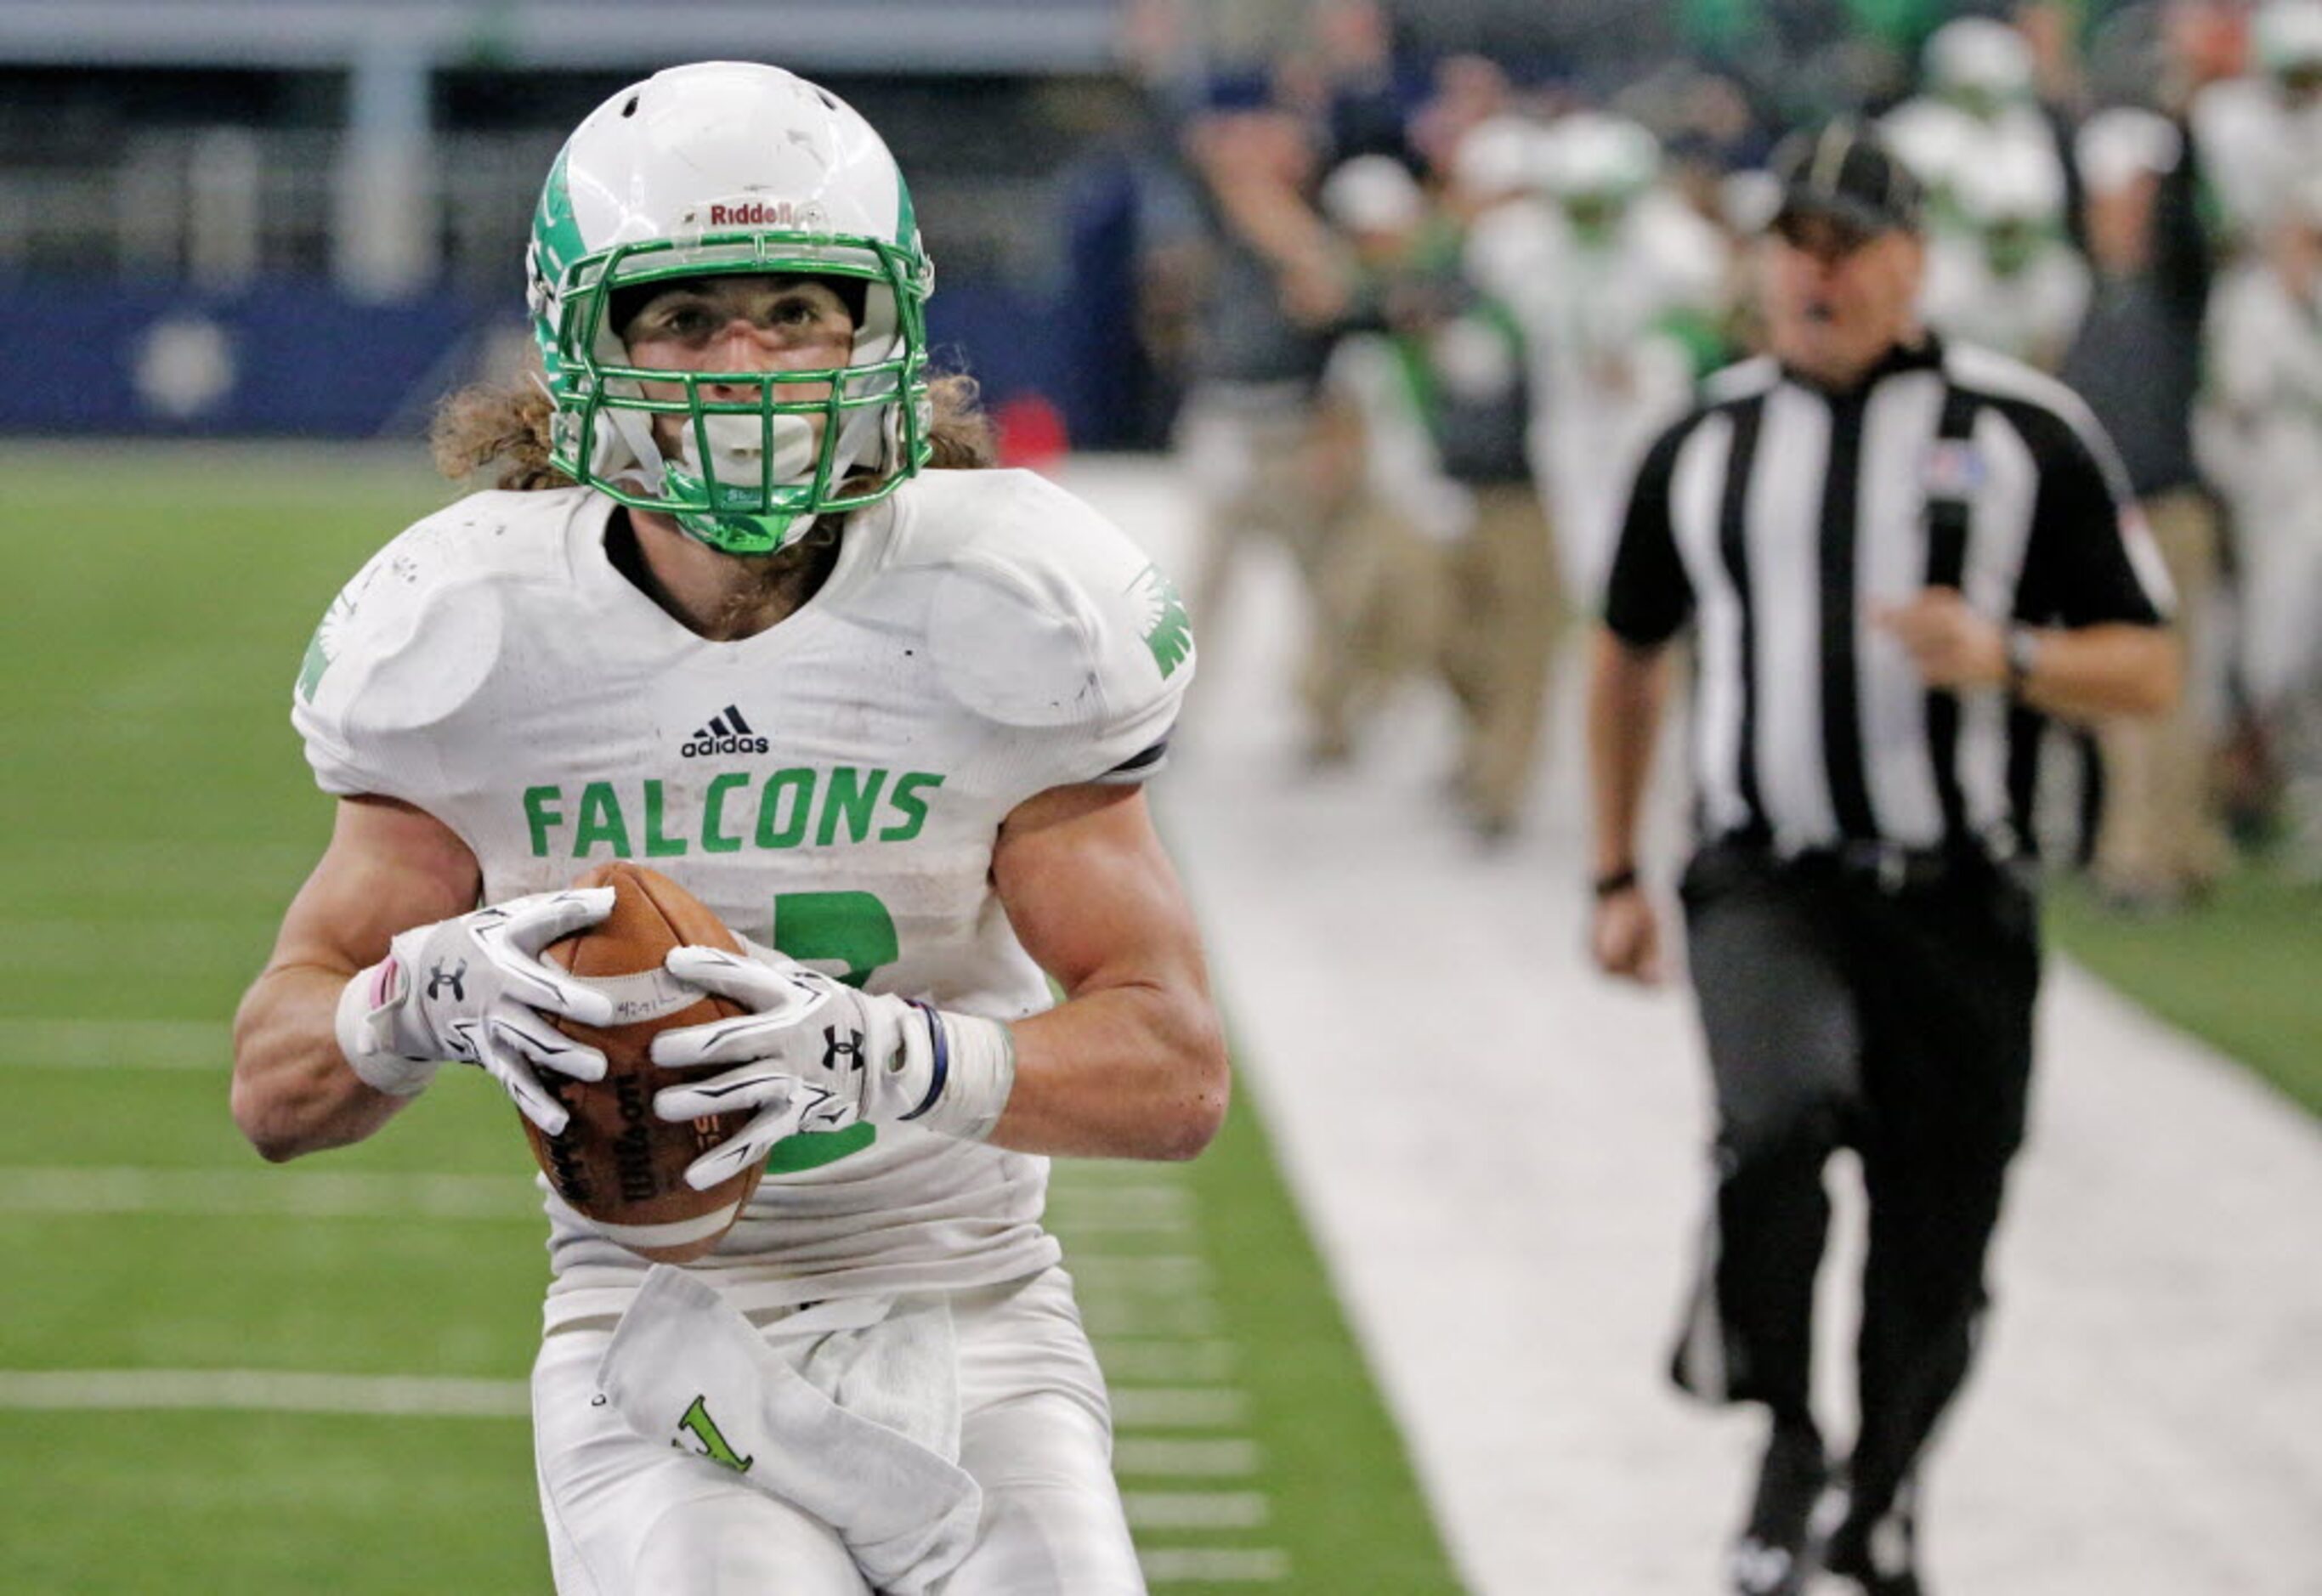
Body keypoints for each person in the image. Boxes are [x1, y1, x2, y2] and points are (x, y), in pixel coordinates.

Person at [230, 60, 1229, 1596]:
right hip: (656, 1335)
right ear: (589, 344)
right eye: (687, 319)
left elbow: (1174, 1071)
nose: (746, 363)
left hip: (970, 1307)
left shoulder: (1006, 605)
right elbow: (277, 1085)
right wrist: (424, 995)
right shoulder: (478, 629)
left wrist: (884, 1054)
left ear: (878, 328)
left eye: (794, 310)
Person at [1585, 123, 2178, 1596]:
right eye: (1795, 241)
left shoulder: (2027, 430)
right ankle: (1787, 1437)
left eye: (1848, 243)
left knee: (1943, 1225)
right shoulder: (1705, 437)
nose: (1816, 269)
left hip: (1957, 893)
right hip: (1765, 875)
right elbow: (1626, 655)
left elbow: (2150, 665)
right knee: (1777, 1127)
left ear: (1914, 260)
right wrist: (1613, 870)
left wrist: (2012, 653)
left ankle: (1889, 1486)